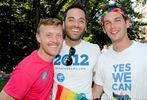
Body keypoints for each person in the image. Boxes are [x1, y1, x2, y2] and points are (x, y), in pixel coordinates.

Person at [92, 4, 147, 99]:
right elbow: (96, 92)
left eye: (117, 20)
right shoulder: (102, 58)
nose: (112, 26)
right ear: (104, 29)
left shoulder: (144, 52)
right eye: (107, 23)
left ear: (127, 23)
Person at [0, 18, 63, 100]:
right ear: (38, 38)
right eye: (49, 35)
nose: (55, 40)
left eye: (58, 35)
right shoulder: (27, 69)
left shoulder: (51, 60)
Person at [52, 4, 101, 100]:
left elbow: (99, 82)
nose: (76, 25)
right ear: (63, 24)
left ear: (85, 25)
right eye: (71, 20)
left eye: (81, 21)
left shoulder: (94, 49)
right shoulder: (53, 47)